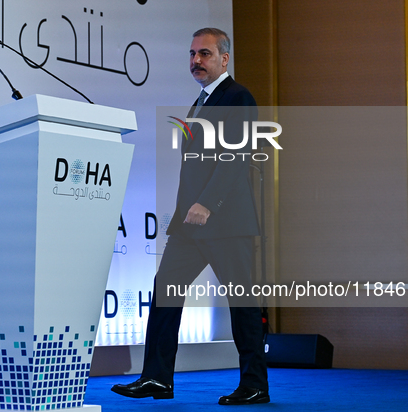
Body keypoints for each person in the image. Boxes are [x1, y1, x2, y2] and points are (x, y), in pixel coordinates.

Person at [111, 27, 269, 405]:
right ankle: (157, 378)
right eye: (193, 54)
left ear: (224, 59)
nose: (197, 61)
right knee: (165, 290)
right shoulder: (200, 101)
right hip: (191, 224)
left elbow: (237, 155)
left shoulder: (238, 97)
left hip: (226, 222)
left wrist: (208, 203)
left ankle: (255, 385)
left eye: (206, 54)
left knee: (241, 301)